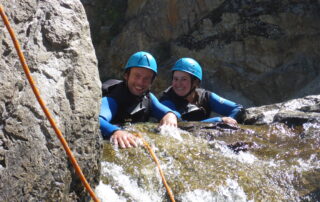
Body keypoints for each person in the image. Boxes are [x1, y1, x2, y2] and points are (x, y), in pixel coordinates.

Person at [99, 51, 179, 148]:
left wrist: (170, 115)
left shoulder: (148, 98)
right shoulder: (113, 98)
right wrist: (115, 131)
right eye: (137, 76)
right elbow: (98, 120)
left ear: (151, 82)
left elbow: (171, 113)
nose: (140, 82)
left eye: (146, 78)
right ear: (126, 76)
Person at [159, 58, 244, 124]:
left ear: (195, 82)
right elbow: (181, 125)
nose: (178, 84)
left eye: (183, 79)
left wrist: (231, 120)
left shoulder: (205, 96)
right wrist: (219, 120)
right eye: (175, 79)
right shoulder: (166, 101)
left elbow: (238, 108)